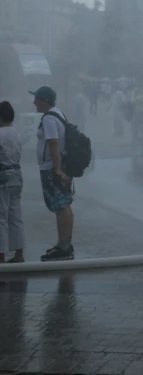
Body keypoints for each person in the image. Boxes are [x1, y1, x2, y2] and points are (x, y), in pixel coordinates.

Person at [30, 85, 74, 261]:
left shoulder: (49, 118)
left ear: (45, 100)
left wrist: (56, 169)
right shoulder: (58, 113)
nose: (34, 102)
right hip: (58, 166)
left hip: (51, 168)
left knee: (60, 207)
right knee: (65, 206)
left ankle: (63, 248)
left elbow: (54, 143)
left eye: (37, 99)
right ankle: (64, 244)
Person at [0, 101, 25, 263]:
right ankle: (19, 254)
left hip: (2, 178)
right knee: (16, 216)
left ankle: (1, 256)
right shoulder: (16, 133)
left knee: (1, 217)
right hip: (17, 176)